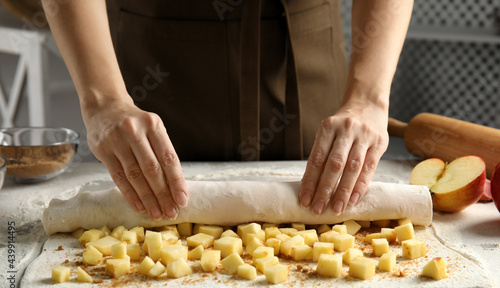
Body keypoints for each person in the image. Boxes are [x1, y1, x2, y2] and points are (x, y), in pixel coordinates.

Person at [42, 0, 414, 220]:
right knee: (148, 193)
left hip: (302, 57)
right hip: (154, 63)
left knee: (326, 198)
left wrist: (368, 98)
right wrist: (103, 99)